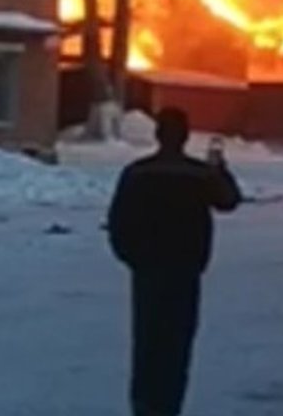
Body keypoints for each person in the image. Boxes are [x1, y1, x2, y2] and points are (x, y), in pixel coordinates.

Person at [108, 107, 242, 416]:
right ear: (184, 135)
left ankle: (144, 404)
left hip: (147, 270)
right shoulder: (199, 174)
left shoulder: (137, 173)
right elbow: (228, 201)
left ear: (158, 134)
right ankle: (169, 404)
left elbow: (119, 220)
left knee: (146, 341)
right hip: (185, 269)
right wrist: (220, 170)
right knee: (177, 343)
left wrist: (131, 256)